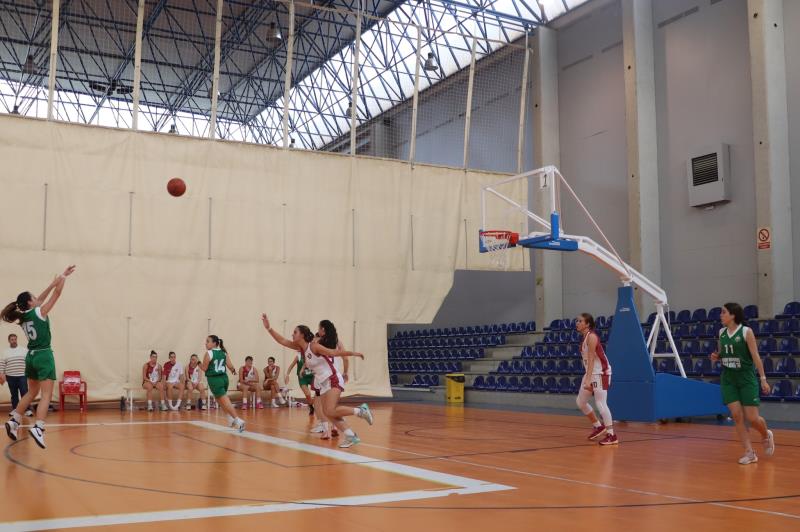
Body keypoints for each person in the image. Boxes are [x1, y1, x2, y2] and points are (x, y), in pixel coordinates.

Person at [261, 314, 371, 448]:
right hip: (323, 381)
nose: (292, 334)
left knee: (330, 410)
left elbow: (334, 353)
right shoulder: (302, 348)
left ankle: (361, 411)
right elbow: (282, 341)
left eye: (295, 332)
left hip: (332, 378)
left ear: (302, 335)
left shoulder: (314, 346)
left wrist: (353, 353)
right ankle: (350, 435)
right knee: (329, 413)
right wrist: (269, 328)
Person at [2, 265, 76, 449]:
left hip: (31, 357)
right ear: (30, 302)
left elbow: (41, 298)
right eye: (34, 297)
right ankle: (39, 427)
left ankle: (14, 421)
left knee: (31, 392)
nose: (38, 298)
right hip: (43, 355)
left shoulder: (24, 317)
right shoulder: (39, 312)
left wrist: (56, 280)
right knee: (46, 395)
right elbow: (55, 296)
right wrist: (61, 279)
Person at [710, 302, 774, 464]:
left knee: (752, 418)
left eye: (723, 312)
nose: (721, 315)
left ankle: (766, 434)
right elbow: (723, 354)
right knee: (737, 416)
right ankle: (749, 452)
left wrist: (763, 379)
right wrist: (717, 357)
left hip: (746, 378)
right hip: (729, 379)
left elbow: (756, 357)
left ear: (733, 315)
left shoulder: (746, 332)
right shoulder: (721, 332)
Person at [575, 313, 618, 446]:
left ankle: (612, 435)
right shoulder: (584, 338)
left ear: (587, 324)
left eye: (580, 321)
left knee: (600, 403)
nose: (577, 323)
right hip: (591, 372)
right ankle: (598, 426)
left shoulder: (592, 337)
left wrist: (588, 380)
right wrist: (588, 377)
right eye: (577, 321)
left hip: (600, 373)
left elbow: (593, 359)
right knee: (581, 402)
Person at [200, 335, 245, 432]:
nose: (206, 343)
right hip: (224, 378)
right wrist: (233, 370)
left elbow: (204, 368)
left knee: (225, 400)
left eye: (208, 341)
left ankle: (238, 420)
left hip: (215, 380)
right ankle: (230, 419)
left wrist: (198, 363)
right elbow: (230, 366)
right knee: (218, 399)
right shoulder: (223, 352)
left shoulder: (209, 353)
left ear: (214, 343)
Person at [1, 334, 33, 416]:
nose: (14, 341)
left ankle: (27, 410)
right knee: (14, 394)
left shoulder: (23, 350)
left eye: (15, 339)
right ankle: (15, 410)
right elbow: (2, 364)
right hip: (10, 376)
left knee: (25, 393)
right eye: (12, 339)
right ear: (9, 341)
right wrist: (1, 374)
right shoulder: (5, 352)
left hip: (22, 376)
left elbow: (28, 362)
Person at [285, 348, 316, 416]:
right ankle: (311, 407)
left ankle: (314, 403)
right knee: (307, 394)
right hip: (302, 378)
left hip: (312, 377)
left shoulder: (310, 355)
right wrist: (287, 374)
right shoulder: (298, 357)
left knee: (318, 393)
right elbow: (291, 366)